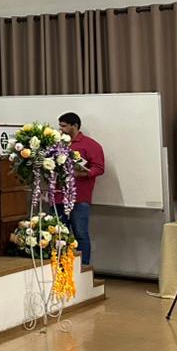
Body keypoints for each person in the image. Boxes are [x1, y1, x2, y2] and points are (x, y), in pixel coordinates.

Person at [56, 112, 104, 267]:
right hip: (58, 196)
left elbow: (99, 168)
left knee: (80, 233)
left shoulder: (90, 145)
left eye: (64, 126)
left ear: (75, 126)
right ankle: (61, 266)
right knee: (59, 234)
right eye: (60, 126)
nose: (61, 129)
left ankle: (83, 267)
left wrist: (81, 173)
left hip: (80, 197)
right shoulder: (57, 143)